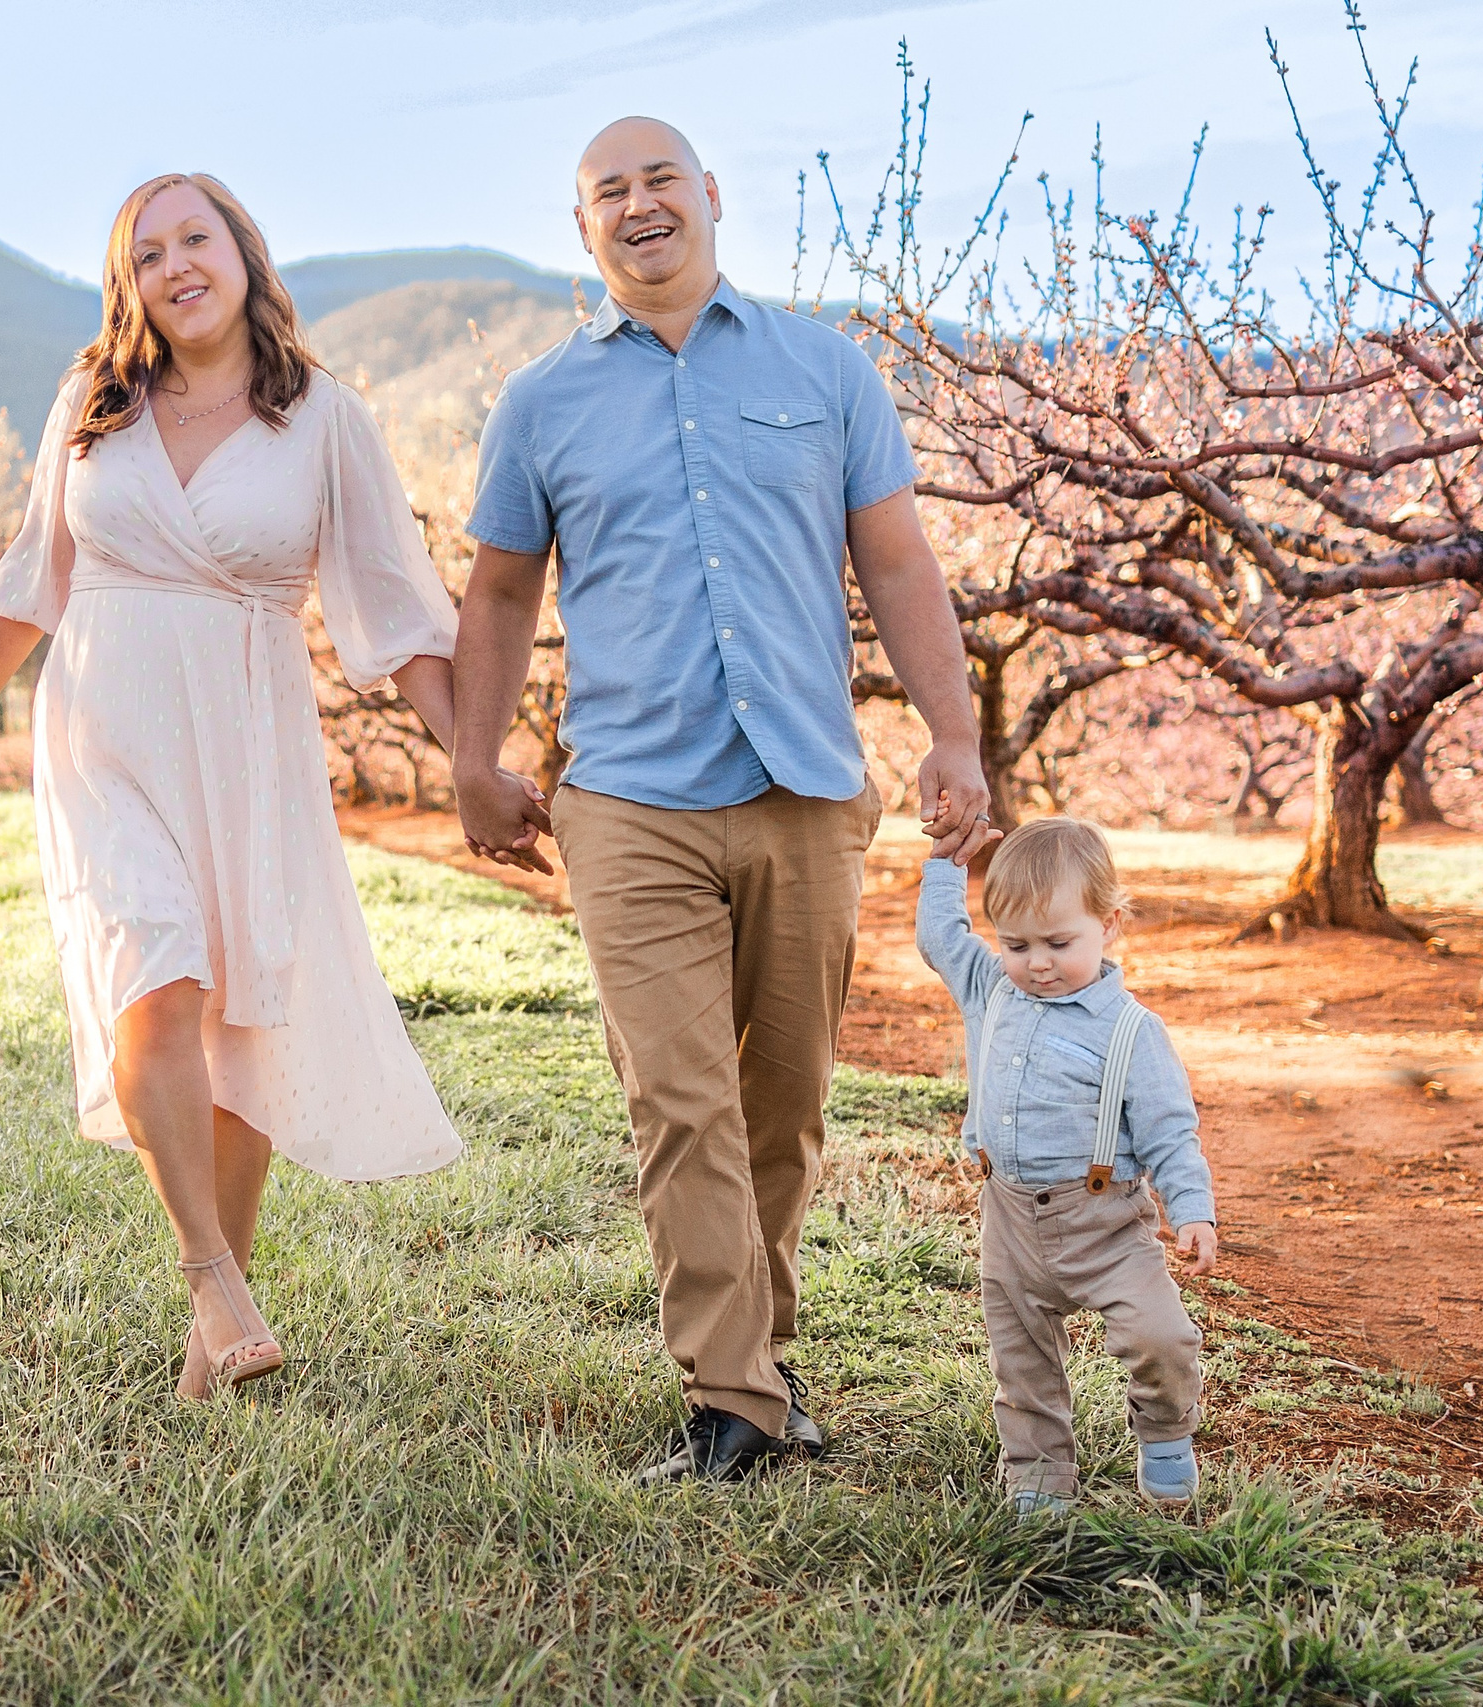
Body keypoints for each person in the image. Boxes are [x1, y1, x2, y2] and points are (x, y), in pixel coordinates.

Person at [451, 117, 994, 1484]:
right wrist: (472, 756)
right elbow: (505, 590)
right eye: (605, 193)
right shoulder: (541, 403)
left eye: (658, 181)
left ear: (709, 197)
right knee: (680, 1099)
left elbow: (902, 563)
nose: (638, 206)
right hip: (627, 795)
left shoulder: (826, 367)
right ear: (581, 229)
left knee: (783, 1099)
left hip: (808, 785)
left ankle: (763, 1351)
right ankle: (733, 1400)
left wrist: (955, 734)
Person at [0, 172, 489, 1398]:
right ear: (127, 281)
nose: (176, 265)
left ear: (242, 253)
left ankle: (208, 1345)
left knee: (235, 1015)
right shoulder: (93, 399)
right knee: (153, 975)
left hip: (246, 729)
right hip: (105, 724)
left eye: (196, 239)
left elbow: (395, 611)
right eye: (148, 251)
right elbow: (32, 579)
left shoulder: (322, 415)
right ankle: (209, 1276)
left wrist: (471, 758)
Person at [915, 815, 1218, 1515]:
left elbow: (1171, 1129)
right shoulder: (993, 988)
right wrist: (944, 863)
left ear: (1110, 925)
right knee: (1022, 1364)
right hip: (1010, 1217)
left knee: (1161, 1335)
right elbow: (940, 937)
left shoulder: (1131, 1030)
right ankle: (1038, 1478)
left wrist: (1192, 1207)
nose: (1037, 962)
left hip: (1105, 1223)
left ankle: (1166, 1428)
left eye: (1059, 942)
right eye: (1016, 943)